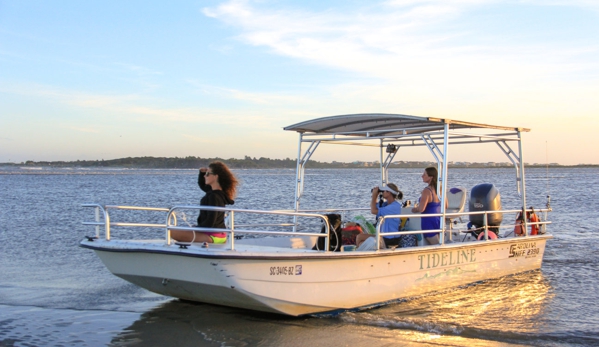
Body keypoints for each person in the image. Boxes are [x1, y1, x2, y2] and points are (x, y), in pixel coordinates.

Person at [171, 161, 238, 244]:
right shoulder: (218, 193)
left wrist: (197, 228)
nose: (205, 176)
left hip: (212, 236)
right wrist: (201, 173)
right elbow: (202, 185)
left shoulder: (214, 196)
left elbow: (210, 221)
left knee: (171, 231)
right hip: (219, 235)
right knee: (179, 230)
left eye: (207, 174)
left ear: (215, 177)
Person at [355, 183, 403, 249]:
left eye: (383, 191)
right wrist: (375, 196)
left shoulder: (394, 206)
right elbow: (373, 206)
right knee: (360, 239)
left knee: (360, 238)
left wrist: (374, 195)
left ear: (389, 193)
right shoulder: (386, 204)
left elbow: (373, 211)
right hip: (383, 237)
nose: (382, 193)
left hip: (389, 239)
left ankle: (360, 256)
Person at [411, 167, 443, 245]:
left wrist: (415, 209)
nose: (422, 176)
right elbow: (445, 205)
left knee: (437, 245)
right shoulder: (440, 189)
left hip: (428, 221)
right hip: (438, 219)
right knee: (439, 243)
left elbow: (422, 209)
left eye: (424, 174)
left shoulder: (427, 191)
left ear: (431, 177)